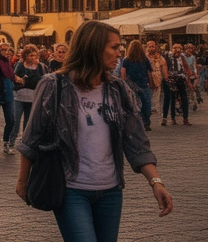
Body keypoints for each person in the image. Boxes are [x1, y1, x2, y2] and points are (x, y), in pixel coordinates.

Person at [15, 20, 172, 242]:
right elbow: (32, 137)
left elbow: (136, 142)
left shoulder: (117, 88)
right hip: (71, 188)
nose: (119, 53)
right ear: (93, 47)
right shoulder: (54, 84)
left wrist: (156, 183)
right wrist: (23, 181)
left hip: (111, 190)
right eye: (114, 47)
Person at [9, 45, 47, 143]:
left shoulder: (40, 67)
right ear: (25, 56)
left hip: (32, 98)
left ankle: (25, 141)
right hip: (19, 97)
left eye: (34, 55)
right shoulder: (20, 65)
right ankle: (11, 141)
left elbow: (43, 80)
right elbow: (14, 76)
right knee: (16, 120)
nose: (32, 57)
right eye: (30, 55)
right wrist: (21, 80)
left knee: (28, 122)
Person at [118, 41, 155, 131]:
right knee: (146, 104)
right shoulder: (144, 59)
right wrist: (151, 83)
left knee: (135, 105)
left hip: (131, 85)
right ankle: (146, 122)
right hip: (143, 84)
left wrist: (124, 84)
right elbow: (149, 73)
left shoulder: (127, 60)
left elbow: (123, 73)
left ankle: (138, 122)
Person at [161, 43, 189, 126]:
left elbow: (186, 67)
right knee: (171, 99)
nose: (177, 50)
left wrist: (188, 78)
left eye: (179, 48)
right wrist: (166, 77)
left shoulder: (182, 57)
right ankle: (170, 118)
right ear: (172, 49)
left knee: (184, 98)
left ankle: (185, 118)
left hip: (181, 79)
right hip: (170, 79)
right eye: (175, 48)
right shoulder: (167, 56)